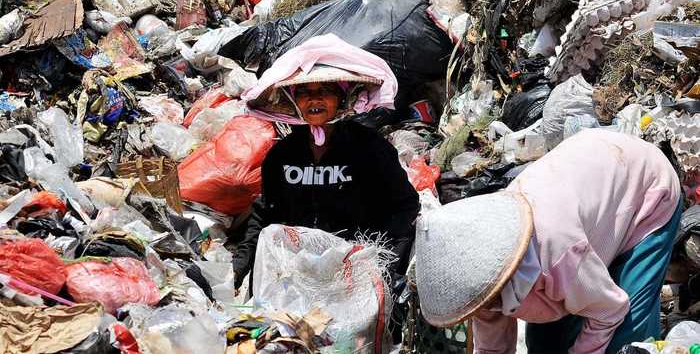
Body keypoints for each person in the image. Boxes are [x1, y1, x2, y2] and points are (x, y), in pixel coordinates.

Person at [415, 129, 682, 354]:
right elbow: (492, 344)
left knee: (626, 335)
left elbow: (609, 310)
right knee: (544, 343)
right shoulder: (479, 282)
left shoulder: (557, 253)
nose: (487, 307)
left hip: (644, 189)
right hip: (592, 190)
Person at [231, 36, 420, 296]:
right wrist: (240, 266)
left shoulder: (371, 149)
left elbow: (405, 206)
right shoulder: (282, 155)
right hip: (296, 277)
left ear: (342, 97)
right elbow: (266, 213)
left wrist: (378, 260)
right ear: (294, 101)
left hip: (354, 276)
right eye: (305, 93)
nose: (314, 99)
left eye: (324, 91)